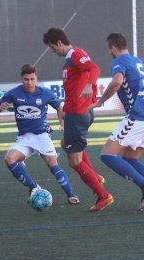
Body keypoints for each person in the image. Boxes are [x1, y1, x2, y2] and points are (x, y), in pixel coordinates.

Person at [88, 33, 144, 213]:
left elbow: (117, 81)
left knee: (107, 155)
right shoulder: (139, 62)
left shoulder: (119, 61)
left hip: (137, 118)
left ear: (112, 47)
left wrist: (100, 102)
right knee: (130, 159)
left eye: (109, 48)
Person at [43, 27, 113, 212]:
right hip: (76, 111)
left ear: (59, 42)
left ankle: (103, 196)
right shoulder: (70, 59)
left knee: (74, 161)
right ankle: (95, 177)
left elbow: (94, 68)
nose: (52, 51)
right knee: (66, 144)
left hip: (79, 113)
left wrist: (90, 84)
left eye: (52, 47)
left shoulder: (76, 54)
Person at [0, 64, 80, 203]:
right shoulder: (13, 93)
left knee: (53, 164)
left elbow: (59, 108)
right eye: (26, 79)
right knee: (9, 159)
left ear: (36, 78)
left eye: (32, 79)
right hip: (24, 138)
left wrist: (62, 123)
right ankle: (34, 187)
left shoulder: (46, 93)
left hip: (42, 136)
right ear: (21, 79)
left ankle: (71, 195)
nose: (29, 82)